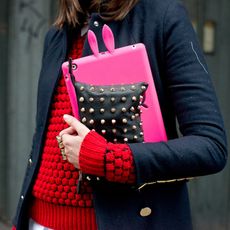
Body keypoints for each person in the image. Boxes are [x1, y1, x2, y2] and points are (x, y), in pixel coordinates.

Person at [12, 0, 228, 229]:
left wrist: (108, 159)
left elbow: (210, 146)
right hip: (39, 221)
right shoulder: (57, 33)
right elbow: (41, 141)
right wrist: (20, 219)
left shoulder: (163, 17)